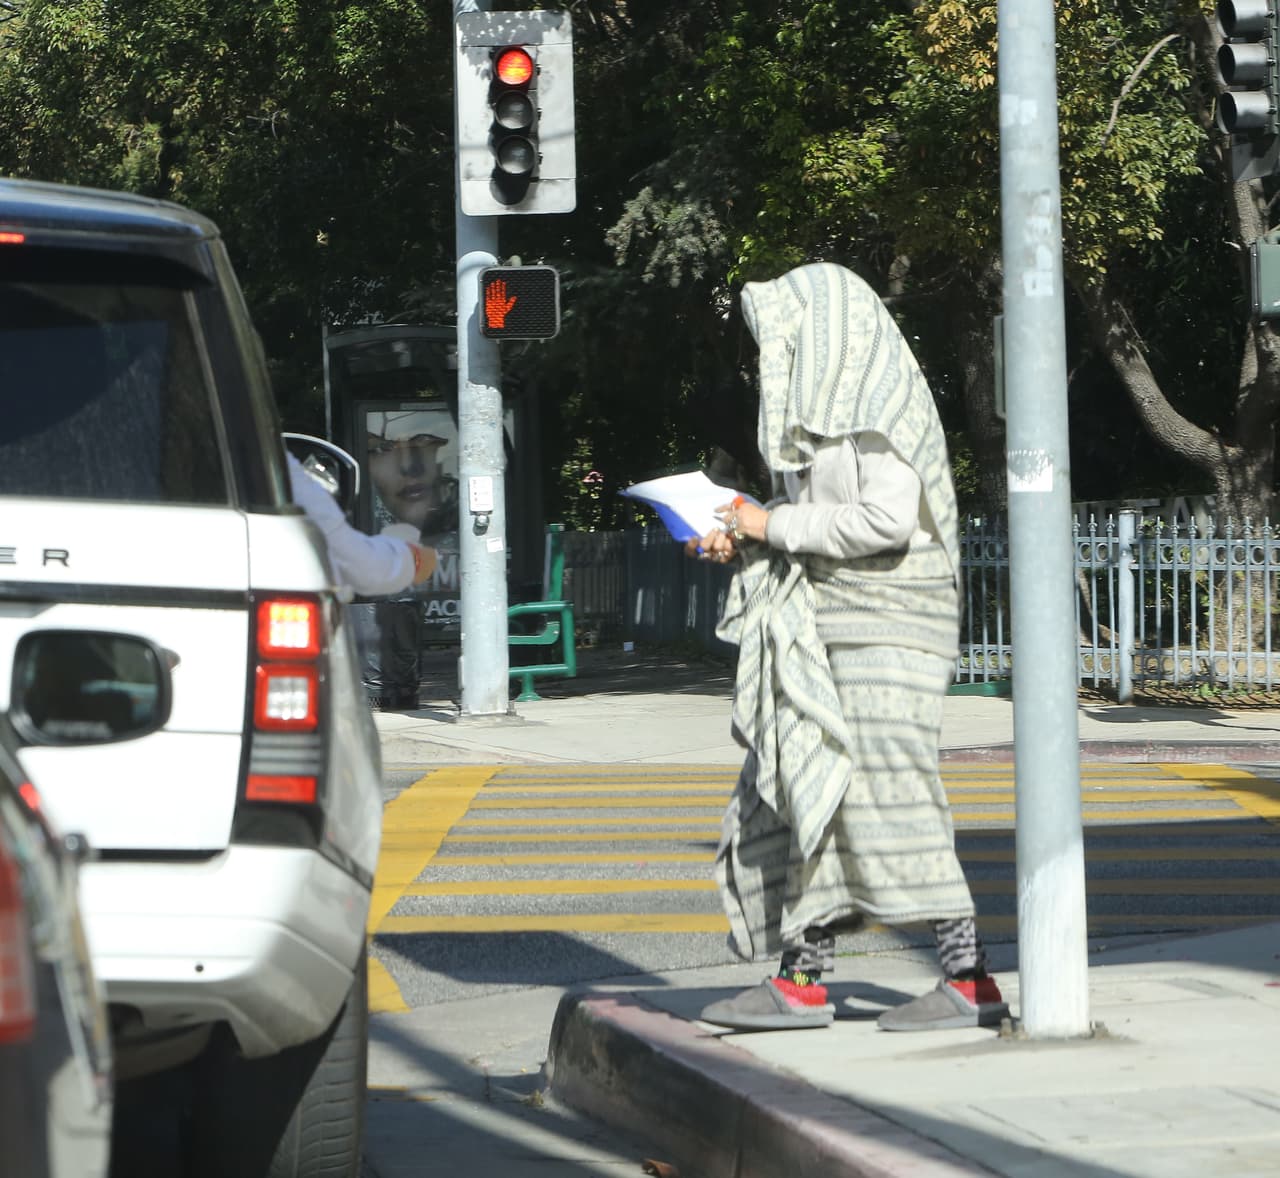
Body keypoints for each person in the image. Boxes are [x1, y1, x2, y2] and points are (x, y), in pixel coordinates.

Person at [688, 262, 1008, 1033]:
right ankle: (801, 979)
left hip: (893, 620)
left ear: (831, 335)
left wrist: (774, 527)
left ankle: (969, 980)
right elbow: (812, 524)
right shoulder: (819, 421)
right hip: (835, 618)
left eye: (787, 341)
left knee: (891, 792)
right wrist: (743, 534)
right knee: (815, 786)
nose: (776, 359)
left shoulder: (877, 408)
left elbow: (884, 523)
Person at [287, 452, 436, 598]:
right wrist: (415, 560)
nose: (410, 466)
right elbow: (359, 565)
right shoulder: (275, 462)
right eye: (381, 449)